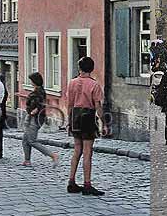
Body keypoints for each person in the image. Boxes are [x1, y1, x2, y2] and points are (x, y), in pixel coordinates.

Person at [64, 57, 109, 196]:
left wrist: (68, 121)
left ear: (79, 68)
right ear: (92, 68)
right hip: (88, 116)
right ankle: (87, 184)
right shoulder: (94, 85)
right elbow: (98, 106)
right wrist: (104, 123)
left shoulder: (72, 83)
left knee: (77, 150)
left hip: (75, 117)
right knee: (88, 152)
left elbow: (69, 104)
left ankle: (71, 182)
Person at [22, 72, 61, 167]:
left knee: (31, 141)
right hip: (32, 116)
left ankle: (53, 155)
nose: (30, 82)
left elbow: (40, 104)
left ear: (35, 81)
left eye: (31, 80)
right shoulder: (38, 90)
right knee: (25, 140)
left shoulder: (39, 91)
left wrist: (35, 111)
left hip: (35, 118)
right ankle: (27, 160)